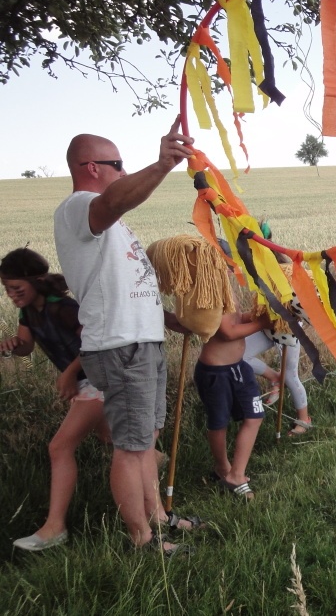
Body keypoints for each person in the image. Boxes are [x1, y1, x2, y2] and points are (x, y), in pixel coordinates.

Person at [53, 118, 195, 552]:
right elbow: (115, 199)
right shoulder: (79, 207)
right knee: (131, 447)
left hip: (138, 341)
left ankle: (159, 519)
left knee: (144, 440)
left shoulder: (106, 222)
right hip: (121, 346)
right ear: (91, 167)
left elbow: (119, 285)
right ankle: (142, 539)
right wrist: (161, 165)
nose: (123, 171)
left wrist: (167, 320)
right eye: (117, 164)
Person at [1, 248, 109, 551]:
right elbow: (26, 346)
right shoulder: (28, 312)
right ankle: (156, 463)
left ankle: (55, 527)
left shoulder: (64, 308)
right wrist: (14, 345)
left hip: (99, 378)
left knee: (59, 447)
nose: (11, 295)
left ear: (37, 281)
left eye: (17, 288)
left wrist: (69, 374)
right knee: (111, 438)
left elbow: (95, 343)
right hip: (85, 381)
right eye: (7, 289)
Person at [188, 303, 271, 500]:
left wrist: (261, 314)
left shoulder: (226, 289)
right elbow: (227, 332)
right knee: (219, 423)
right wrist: (262, 323)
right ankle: (223, 467)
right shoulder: (211, 293)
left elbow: (237, 318)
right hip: (216, 372)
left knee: (255, 415)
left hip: (239, 367)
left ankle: (236, 474)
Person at [244, 330, 312, 437]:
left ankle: (304, 419)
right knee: (241, 355)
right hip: (267, 330)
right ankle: (275, 378)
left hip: (288, 332)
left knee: (289, 376)